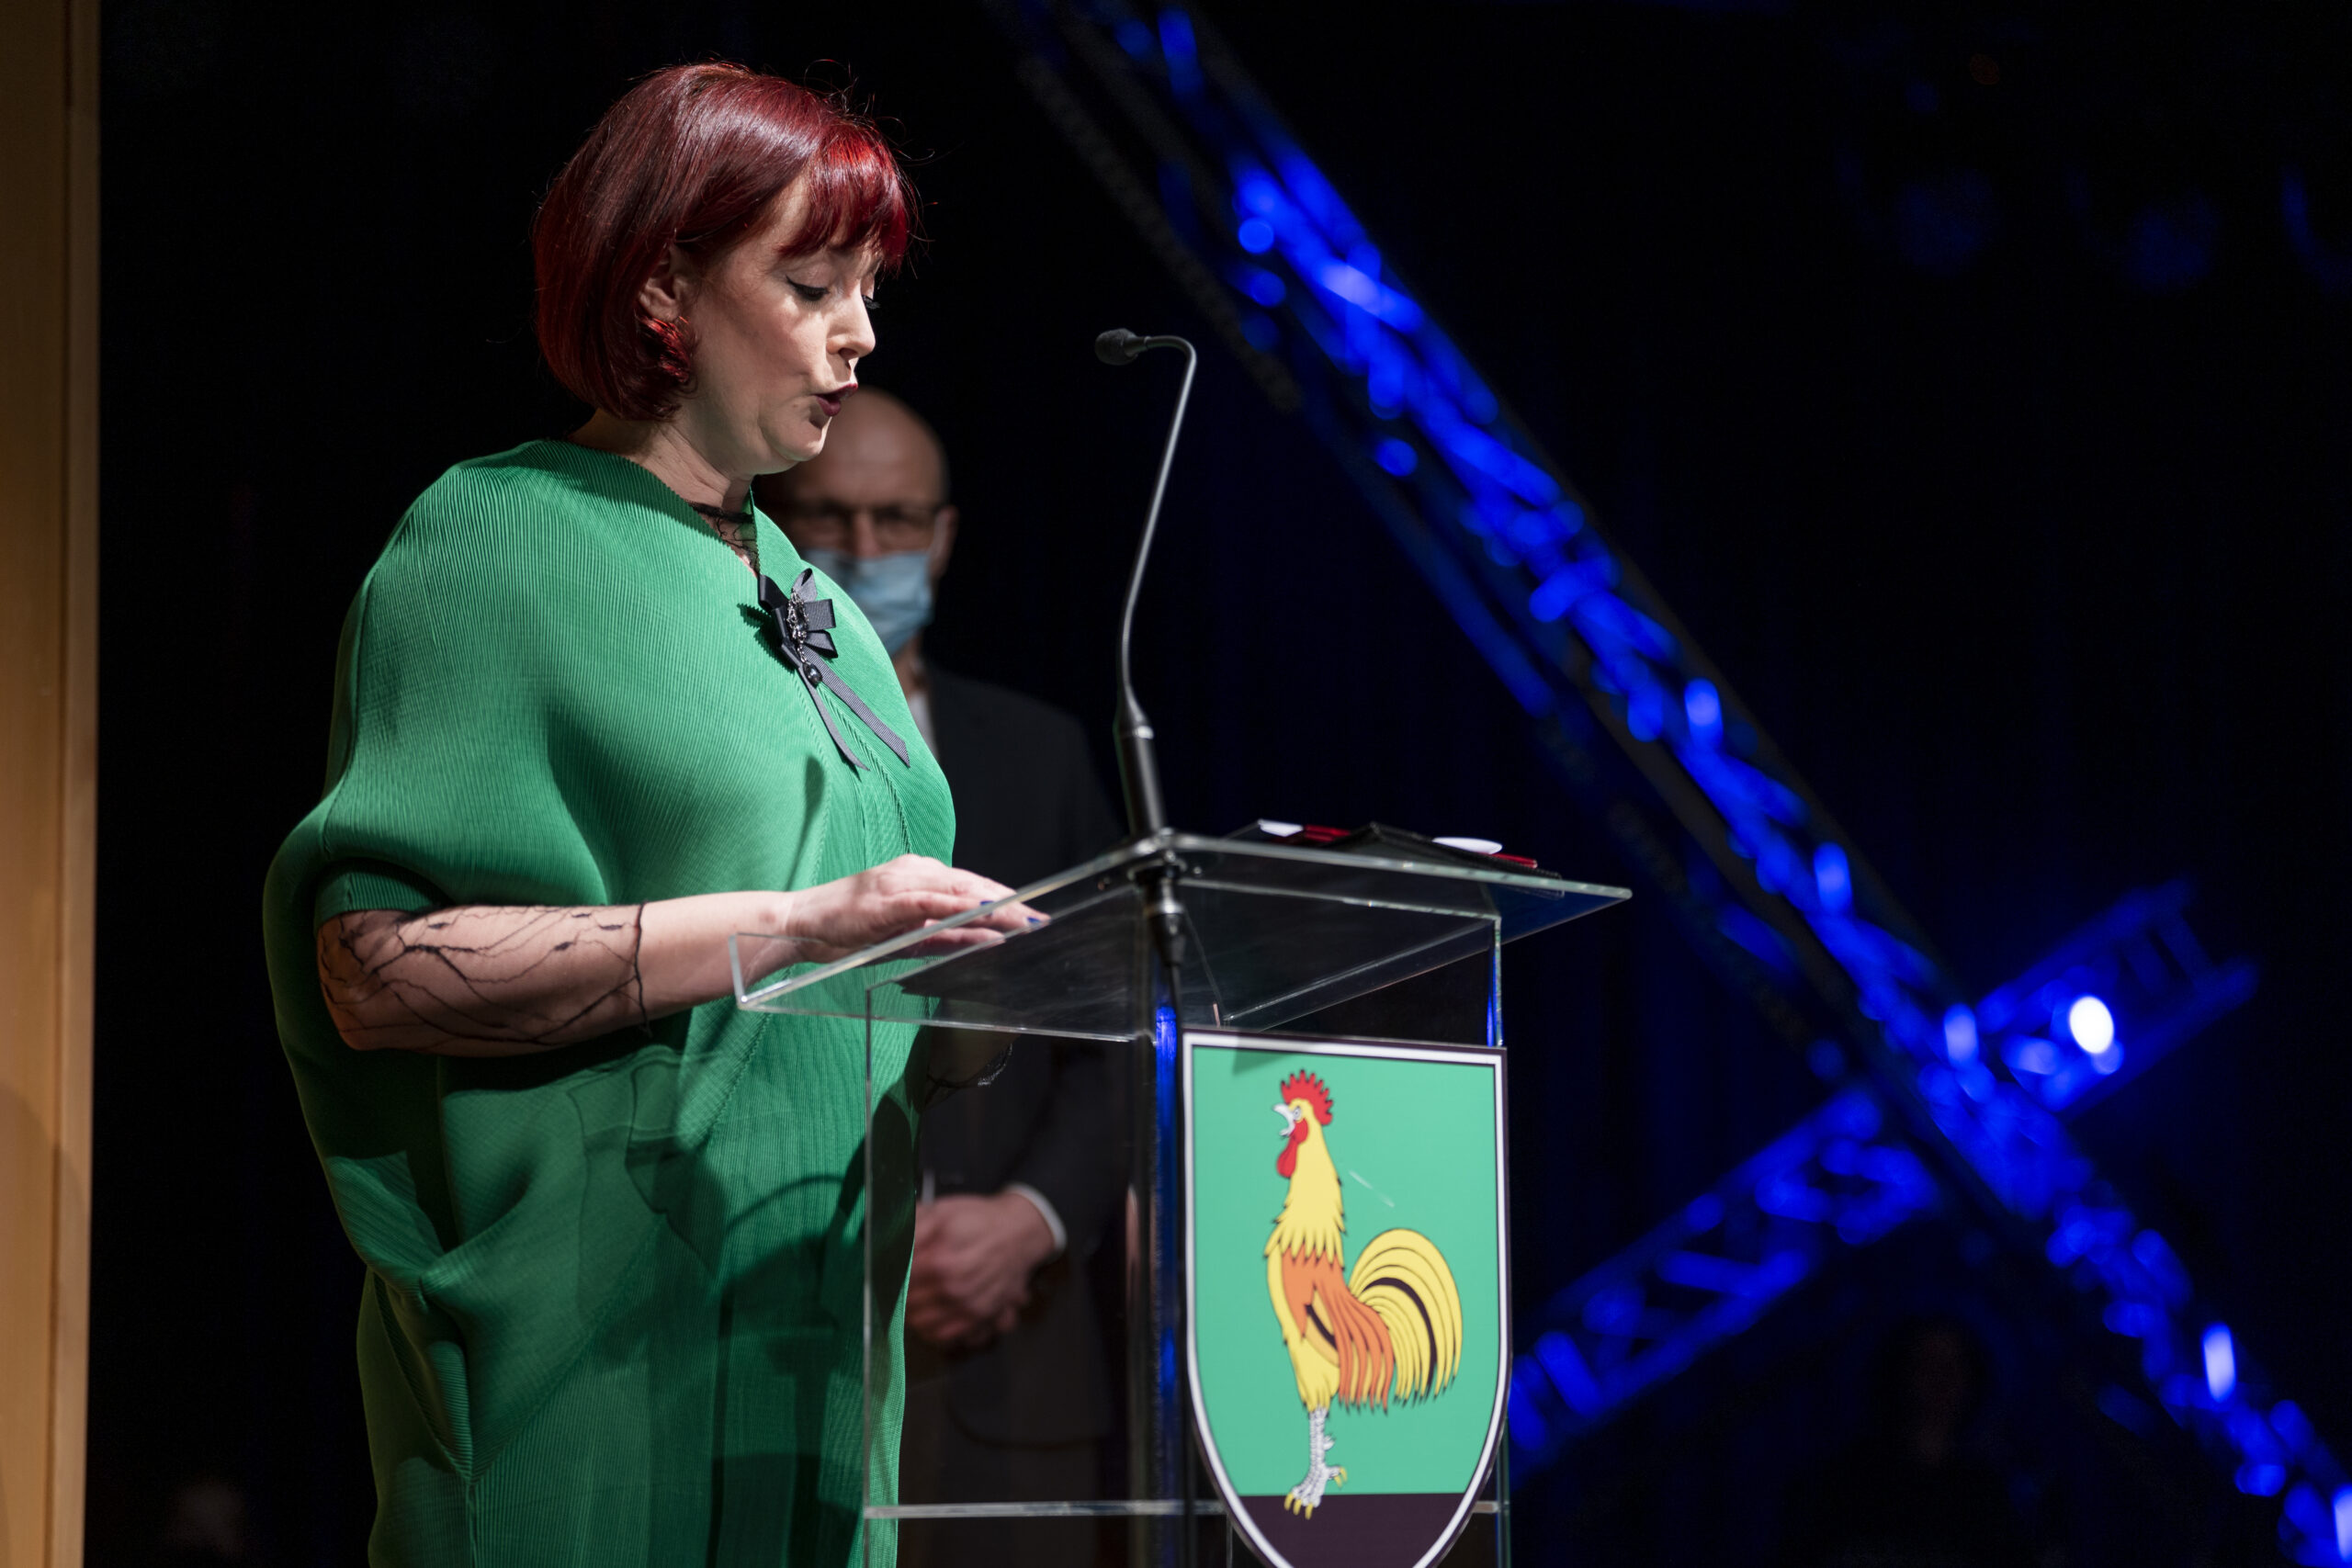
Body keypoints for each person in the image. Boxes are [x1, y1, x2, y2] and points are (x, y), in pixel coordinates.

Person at [260, 65, 1030, 1567]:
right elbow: (374, 972)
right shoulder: (497, 536)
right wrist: (794, 924)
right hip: (598, 1352)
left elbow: (865, 984)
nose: (861, 334)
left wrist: (978, 987)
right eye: (812, 284)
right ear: (664, 286)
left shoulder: (814, 600)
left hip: (809, 1365)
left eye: (869, 290)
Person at [757, 394, 1125, 1568]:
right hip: (768, 1333)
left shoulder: (1038, 750)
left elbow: (1116, 1032)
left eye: (897, 520)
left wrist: (1033, 1218)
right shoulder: (721, 748)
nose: (864, 551)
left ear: (945, 535)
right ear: (772, 526)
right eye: (828, 518)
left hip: (1009, 1368)